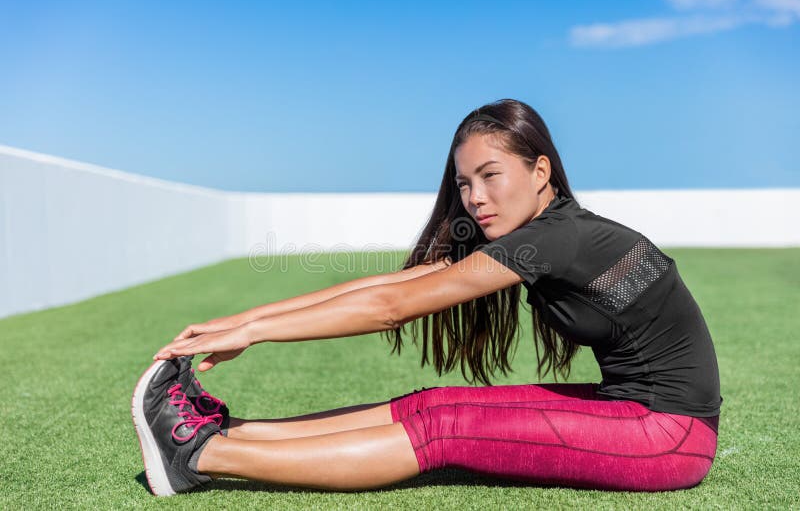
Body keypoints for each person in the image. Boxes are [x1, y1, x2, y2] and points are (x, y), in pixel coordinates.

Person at [132, 98, 722, 496]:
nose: (474, 197)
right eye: (465, 183)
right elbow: (393, 284)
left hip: (669, 435)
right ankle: (227, 431)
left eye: (492, 175)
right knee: (432, 403)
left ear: (540, 170)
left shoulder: (559, 239)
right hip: (633, 411)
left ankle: (202, 456)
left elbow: (392, 309)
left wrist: (254, 334)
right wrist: (244, 320)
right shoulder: (542, 232)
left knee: (447, 426)